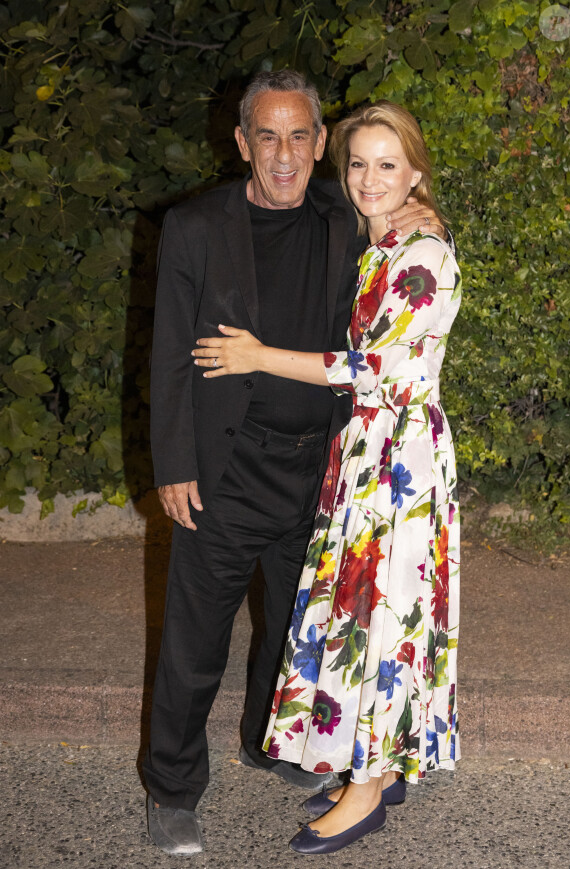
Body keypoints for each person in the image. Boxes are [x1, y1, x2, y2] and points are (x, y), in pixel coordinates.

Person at [145, 70, 446, 857]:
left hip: (321, 469)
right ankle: (173, 789)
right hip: (223, 470)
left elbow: (405, 243)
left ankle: (264, 739)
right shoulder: (196, 227)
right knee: (193, 640)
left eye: (301, 136)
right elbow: (170, 352)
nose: (285, 154)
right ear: (242, 142)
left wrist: (421, 210)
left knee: (291, 631)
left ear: (320, 145)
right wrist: (174, 462)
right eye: (268, 136)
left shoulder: (345, 216)